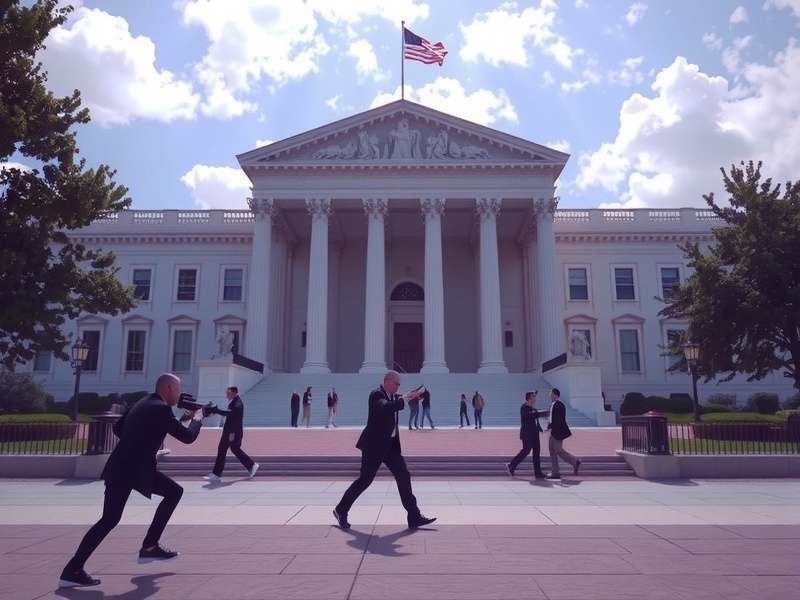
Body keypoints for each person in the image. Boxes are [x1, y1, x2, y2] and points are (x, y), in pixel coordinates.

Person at [59, 373, 209, 588]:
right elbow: (187, 437)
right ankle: (149, 546)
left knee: (108, 520)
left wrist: (144, 439)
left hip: (120, 467)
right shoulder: (161, 409)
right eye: (177, 389)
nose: (178, 394)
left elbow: (118, 429)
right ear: (168, 388)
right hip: (135, 469)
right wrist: (197, 419)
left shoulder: (143, 402)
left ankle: (72, 570)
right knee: (174, 493)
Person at [333, 371, 436, 531]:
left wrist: (417, 395)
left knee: (403, 475)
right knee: (365, 480)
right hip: (373, 446)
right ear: (387, 382)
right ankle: (341, 510)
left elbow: (402, 400)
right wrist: (404, 398)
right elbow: (386, 407)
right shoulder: (376, 395)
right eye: (397, 384)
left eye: (399, 385)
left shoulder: (394, 396)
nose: (398, 387)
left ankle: (414, 516)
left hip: (391, 447)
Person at [204, 386, 258, 482]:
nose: (226, 395)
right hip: (230, 431)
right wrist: (216, 410)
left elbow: (229, 414)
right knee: (231, 449)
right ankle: (251, 465)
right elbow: (228, 414)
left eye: (228, 393)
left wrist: (216, 410)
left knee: (224, 450)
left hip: (232, 432)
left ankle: (217, 474)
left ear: (234, 392)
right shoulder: (234, 402)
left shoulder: (237, 403)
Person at [506, 391, 546, 479]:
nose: (535, 399)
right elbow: (529, 416)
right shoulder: (524, 407)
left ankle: (538, 473)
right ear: (529, 398)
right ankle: (512, 465)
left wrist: (540, 427)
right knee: (526, 451)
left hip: (535, 434)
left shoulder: (533, 408)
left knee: (536, 453)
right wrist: (540, 413)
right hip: (527, 434)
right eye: (533, 397)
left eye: (535, 397)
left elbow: (535, 420)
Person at [546, 388, 581, 479]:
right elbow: (552, 418)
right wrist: (549, 426)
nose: (549, 395)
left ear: (555, 395)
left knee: (558, 450)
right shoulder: (553, 404)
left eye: (551, 393)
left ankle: (574, 461)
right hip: (553, 430)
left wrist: (553, 427)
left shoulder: (559, 405)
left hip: (557, 432)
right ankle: (555, 472)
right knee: (552, 450)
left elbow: (559, 420)